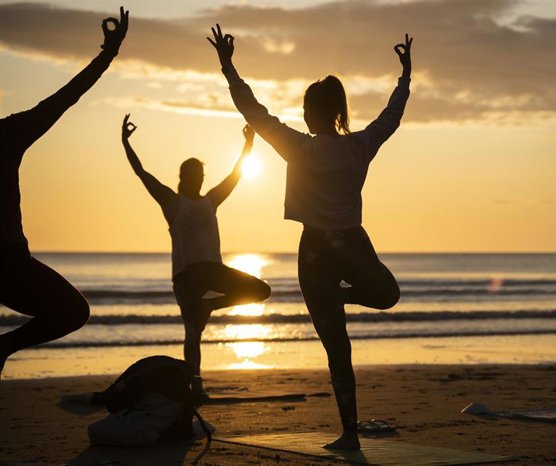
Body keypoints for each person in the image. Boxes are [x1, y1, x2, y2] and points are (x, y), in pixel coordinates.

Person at [208, 25, 412, 449]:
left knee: (339, 347)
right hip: (353, 242)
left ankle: (351, 432)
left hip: (318, 251)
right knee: (387, 295)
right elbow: (391, 118)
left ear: (311, 114)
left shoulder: (298, 147)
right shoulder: (359, 145)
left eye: (305, 109)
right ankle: (349, 434)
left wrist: (229, 67)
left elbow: (254, 112)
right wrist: (405, 77)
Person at [0, 7, 129, 376]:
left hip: (12, 263)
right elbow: (65, 98)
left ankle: (5, 345)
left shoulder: (9, 134)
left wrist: (107, 55)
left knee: (74, 310)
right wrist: (108, 54)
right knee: (73, 311)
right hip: (10, 263)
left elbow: (65, 98)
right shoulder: (9, 134)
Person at [121, 116, 271, 400]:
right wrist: (126, 144)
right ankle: (195, 388)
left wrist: (248, 145)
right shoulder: (172, 203)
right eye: (195, 175)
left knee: (261, 290)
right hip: (187, 276)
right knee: (193, 334)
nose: (200, 179)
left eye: (202, 175)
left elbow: (236, 175)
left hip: (213, 270)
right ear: (184, 177)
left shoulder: (211, 200)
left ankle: (211, 305)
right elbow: (142, 174)